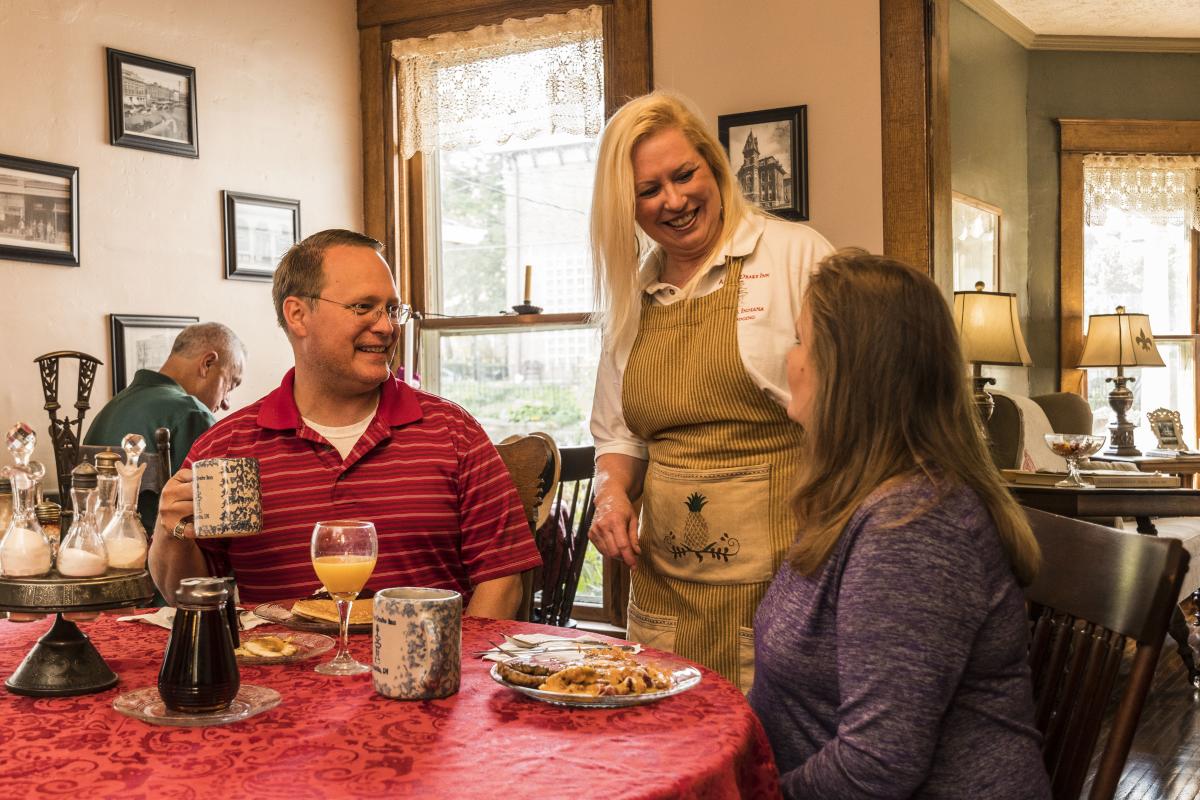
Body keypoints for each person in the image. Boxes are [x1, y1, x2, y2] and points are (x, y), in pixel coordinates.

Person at [749, 250, 1051, 799]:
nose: (789, 359)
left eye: (799, 342)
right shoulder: (858, 497)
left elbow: (876, 768)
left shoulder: (912, 528)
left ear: (846, 375)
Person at [149, 229, 541, 619]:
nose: (386, 327)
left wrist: (458, 657)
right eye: (363, 307)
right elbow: (184, 593)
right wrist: (172, 533)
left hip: (426, 659)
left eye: (391, 309)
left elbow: (503, 580)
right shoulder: (226, 447)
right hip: (279, 660)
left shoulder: (453, 432)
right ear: (298, 315)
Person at [587, 91, 835, 690]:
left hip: (785, 583)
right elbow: (619, 437)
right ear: (627, 206)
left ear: (715, 166)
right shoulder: (632, 297)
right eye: (649, 190)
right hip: (666, 597)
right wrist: (612, 495)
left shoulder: (796, 255)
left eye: (684, 175)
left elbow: (854, 413)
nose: (673, 201)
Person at [85, 321, 246, 532]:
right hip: (162, 550)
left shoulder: (110, 409)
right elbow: (219, 520)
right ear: (207, 363)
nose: (226, 404)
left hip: (91, 545)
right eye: (230, 385)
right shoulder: (193, 414)